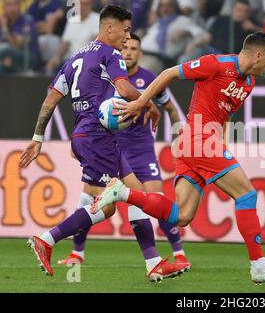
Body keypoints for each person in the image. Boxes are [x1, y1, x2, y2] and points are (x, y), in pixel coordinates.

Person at [92, 32, 265, 287]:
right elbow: (168, 73)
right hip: (198, 139)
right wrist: (140, 103)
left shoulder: (248, 83)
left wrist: (224, 145)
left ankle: (122, 194)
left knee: (182, 216)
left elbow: (225, 115)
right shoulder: (216, 64)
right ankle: (259, 266)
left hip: (201, 145)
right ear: (258, 55)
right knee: (247, 195)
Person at [20, 5, 191, 282]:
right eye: (124, 30)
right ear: (109, 28)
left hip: (90, 135)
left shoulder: (75, 57)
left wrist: (38, 138)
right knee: (109, 205)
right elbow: (124, 90)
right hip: (95, 136)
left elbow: (50, 100)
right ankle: (47, 239)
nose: (127, 38)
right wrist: (148, 103)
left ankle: (153, 262)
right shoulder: (111, 54)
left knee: (135, 192)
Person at [56, 33, 189, 271]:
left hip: (142, 150)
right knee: (90, 196)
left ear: (140, 53)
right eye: (125, 47)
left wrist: (180, 136)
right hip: (111, 147)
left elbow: (170, 108)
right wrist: (82, 143)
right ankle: (77, 252)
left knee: (154, 198)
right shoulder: (106, 78)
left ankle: (178, 254)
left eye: (134, 49)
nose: (128, 52)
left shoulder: (150, 79)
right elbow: (88, 113)